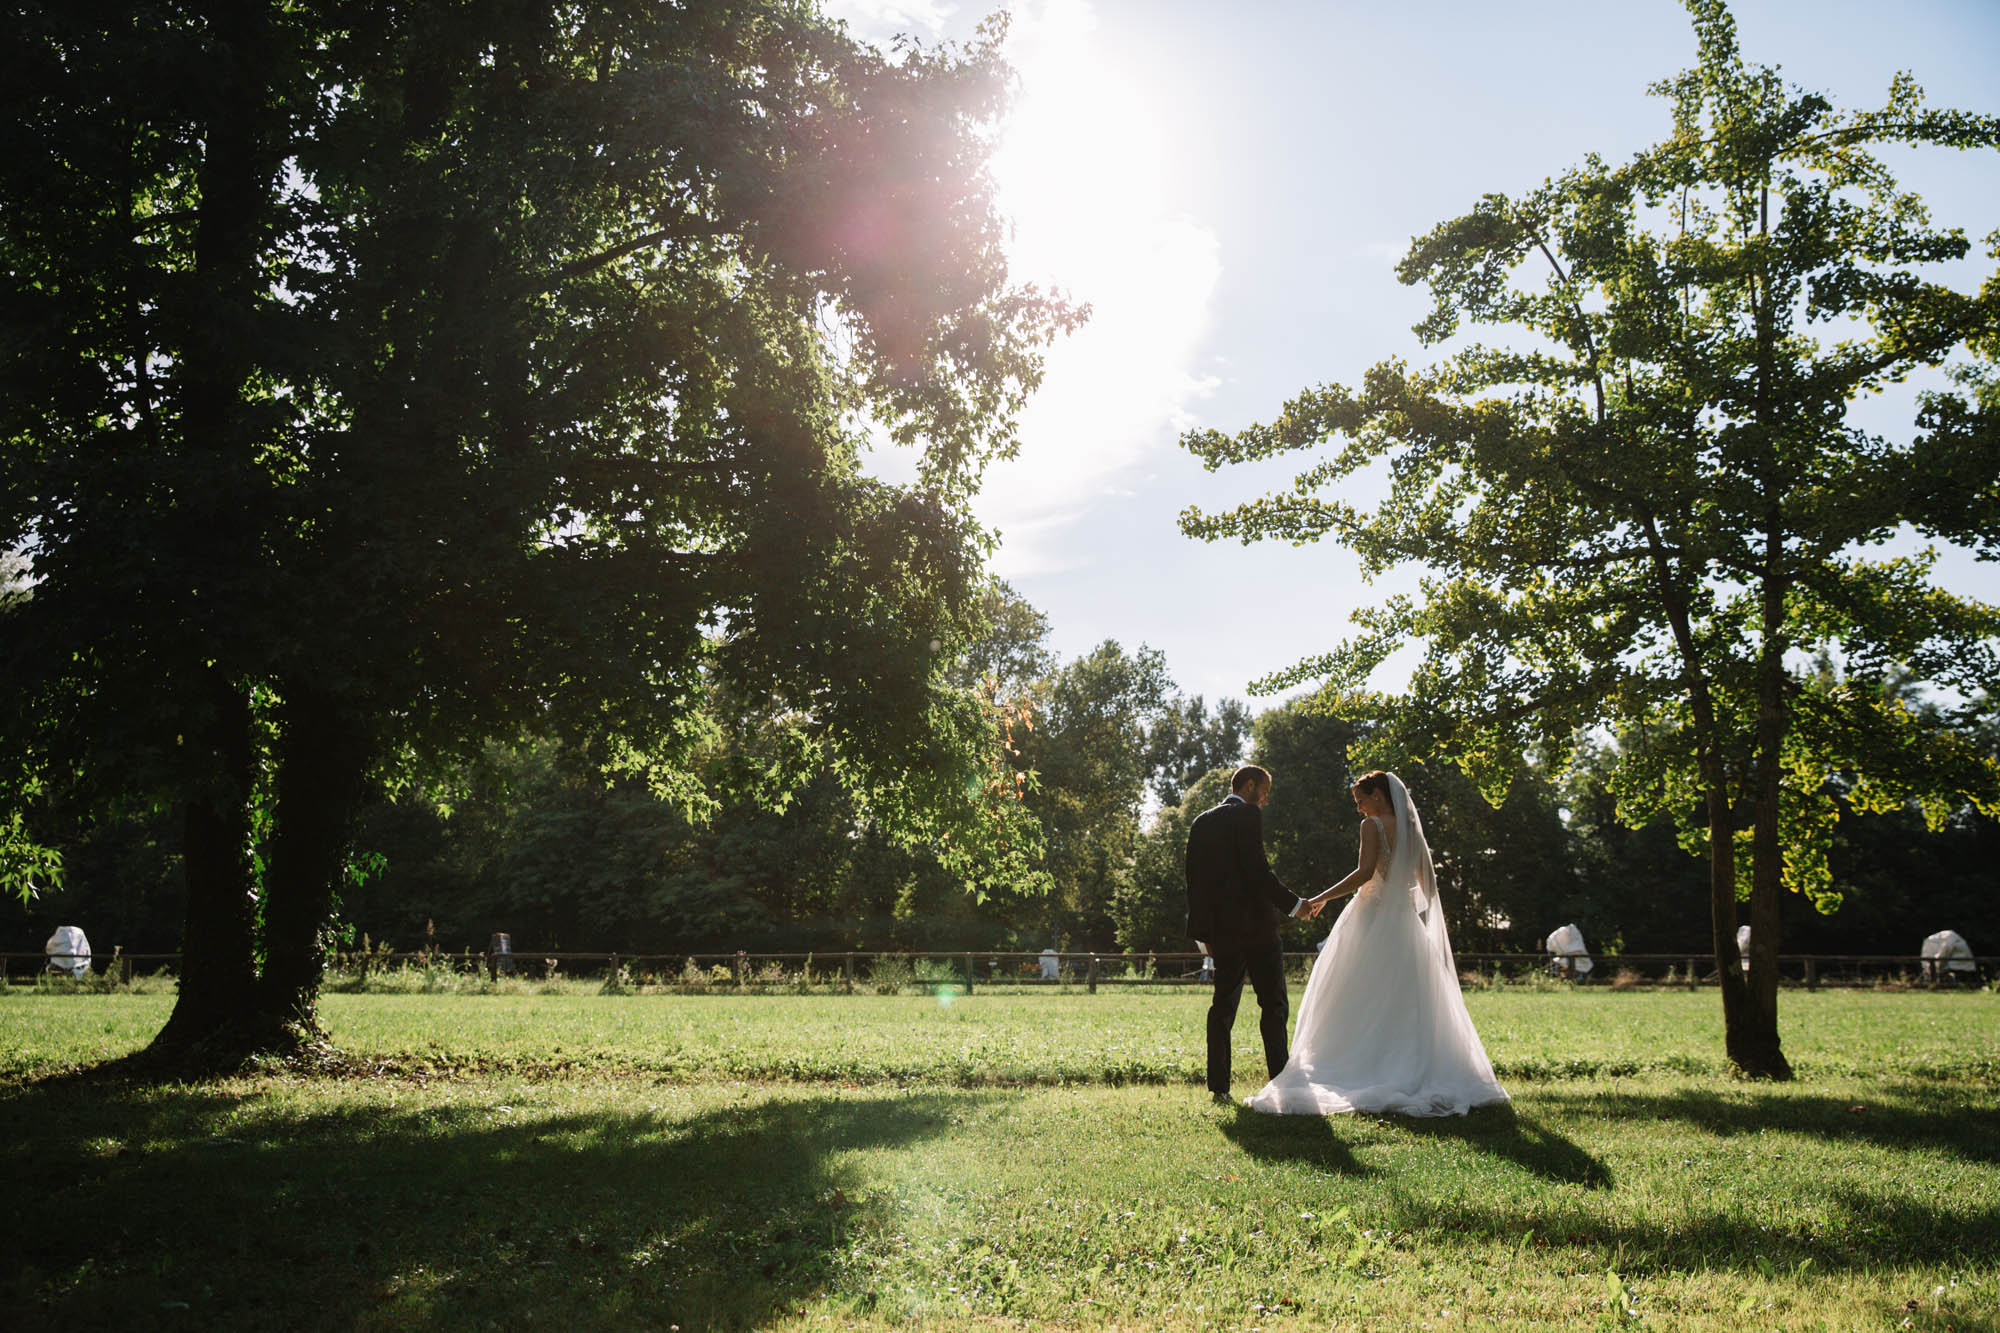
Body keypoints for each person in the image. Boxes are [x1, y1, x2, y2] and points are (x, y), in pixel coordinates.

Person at [1245, 770, 1508, 1117]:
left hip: (1370, 919)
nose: (1359, 809)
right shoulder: (1413, 830)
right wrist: (1400, 898)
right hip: (1404, 923)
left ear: (1378, 796)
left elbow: (1364, 873)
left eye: (1361, 800)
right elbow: (1428, 885)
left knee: (1355, 992)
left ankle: (1362, 1065)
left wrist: (1322, 897)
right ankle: (1409, 1066)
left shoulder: (1373, 826)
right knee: (1408, 999)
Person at [1184, 765, 1321, 1101]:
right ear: (1248, 786)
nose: (1266, 799)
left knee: (1222, 1007)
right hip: (1258, 929)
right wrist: (1295, 905)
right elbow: (1258, 871)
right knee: (1273, 1005)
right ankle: (1280, 1081)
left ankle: (1219, 1088)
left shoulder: (1201, 821)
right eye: (1265, 791)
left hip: (1223, 934)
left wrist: (1204, 934)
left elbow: (1195, 883)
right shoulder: (1247, 815)